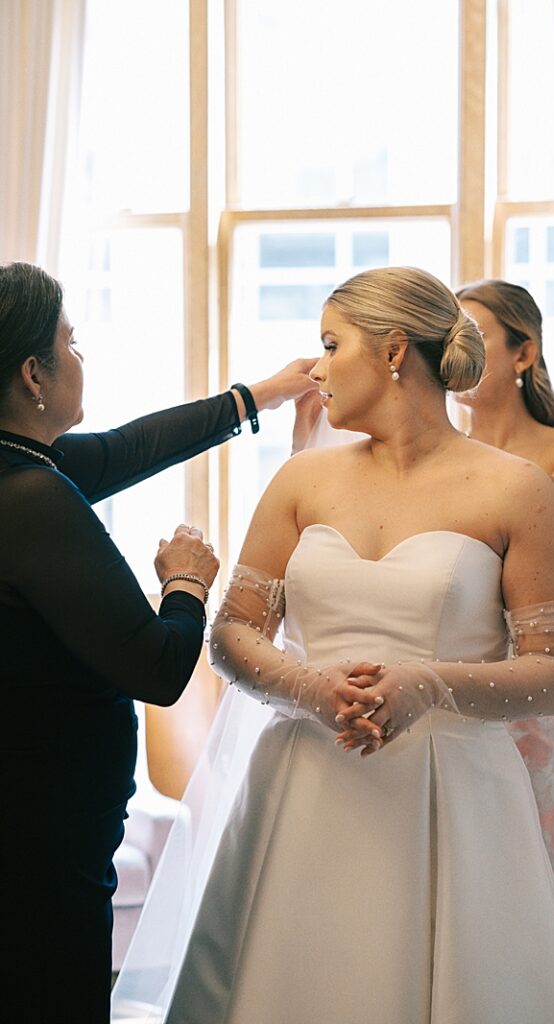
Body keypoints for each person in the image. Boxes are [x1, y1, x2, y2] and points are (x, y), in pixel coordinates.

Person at [115, 266, 554, 1023]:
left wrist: (429, 684)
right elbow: (234, 634)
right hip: (304, 785)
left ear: (395, 352)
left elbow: (553, 673)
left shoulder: (517, 490)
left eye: (332, 345)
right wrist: (311, 688)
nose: (318, 367)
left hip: (454, 799)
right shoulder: (301, 481)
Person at [0, 261, 317, 1023]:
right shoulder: (30, 496)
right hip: (40, 837)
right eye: (71, 343)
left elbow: (132, 447)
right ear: (33, 373)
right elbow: (159, 665)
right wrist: (186, 582)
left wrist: (259, 397)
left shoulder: (26, 465)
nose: (83, 357)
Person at [455, 278, 554, 922]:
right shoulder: (436, 455)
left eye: (473, 335)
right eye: (447, 336)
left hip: (531, 683)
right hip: (449, 672)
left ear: (524, 354)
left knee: (519, 885)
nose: (455, 351)